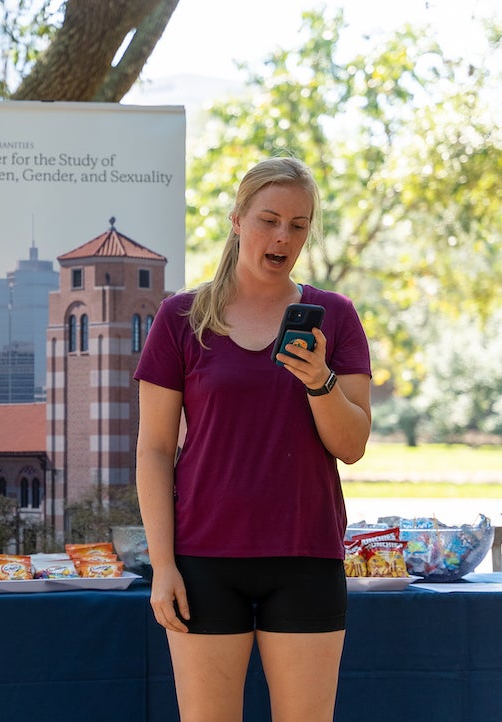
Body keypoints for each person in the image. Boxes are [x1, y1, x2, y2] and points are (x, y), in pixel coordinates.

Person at [134, 156, 372, 722]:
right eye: (269, 219)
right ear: (237, 219)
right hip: (204, 561)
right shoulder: (180, 319)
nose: (283, 236)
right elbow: (154, 451)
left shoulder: (334, 317)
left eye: (298, 224)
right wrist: (163, 566)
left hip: (306, 555)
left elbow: (353, 444)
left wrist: (320, 381)